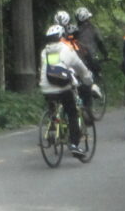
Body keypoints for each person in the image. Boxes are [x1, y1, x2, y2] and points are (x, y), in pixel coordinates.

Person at [39, 25, 93, 157]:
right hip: (63, 88)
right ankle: (74, 144)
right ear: (61, 36)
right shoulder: (67, 49)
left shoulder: (45, 52)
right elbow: (80, 68)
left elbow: (51, 67)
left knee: (53, 104)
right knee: (72, 112)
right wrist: (88, 80)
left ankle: (53, 121)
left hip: (46, 88)